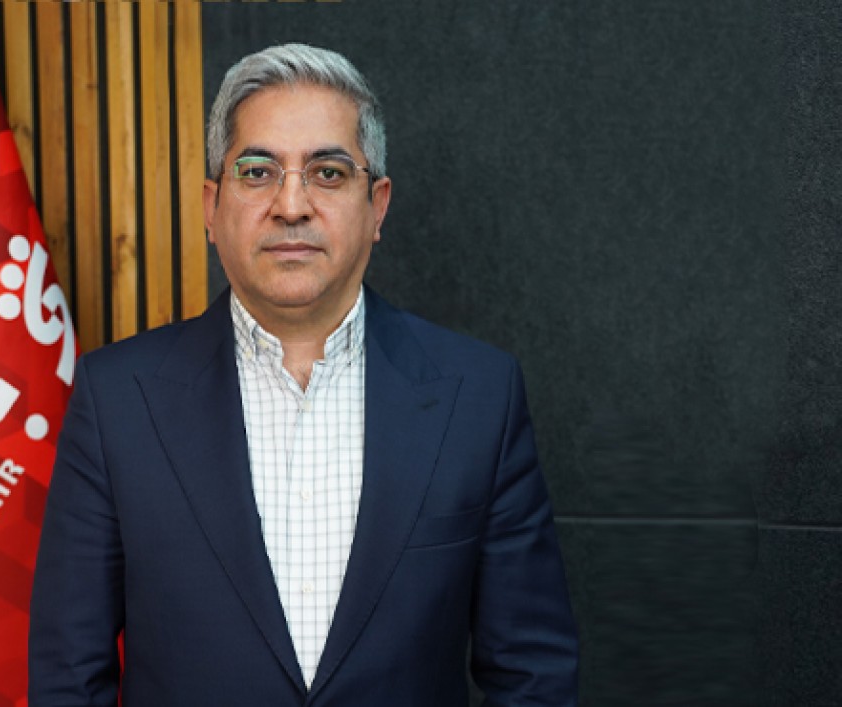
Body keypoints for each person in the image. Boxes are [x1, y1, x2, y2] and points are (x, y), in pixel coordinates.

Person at [29, 43, 578, 706]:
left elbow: (532, 675)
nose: (291, 204)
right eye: (257, 172)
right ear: (211, 206)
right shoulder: (117, 401)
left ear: (377, 205)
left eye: (328, 173)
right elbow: (68, 677)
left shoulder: (480, 397)